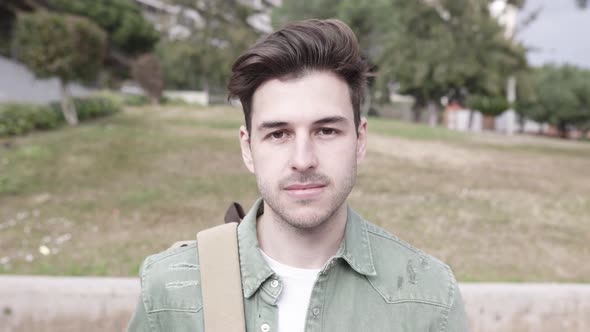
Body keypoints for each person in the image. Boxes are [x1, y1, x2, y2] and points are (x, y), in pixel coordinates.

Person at [127, 18, 469, 332]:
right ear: (248, 148)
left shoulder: (430, 298)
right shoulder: (168, 292)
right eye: (278, 134)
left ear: (360, 140)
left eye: (326, 131)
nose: (303, 160)